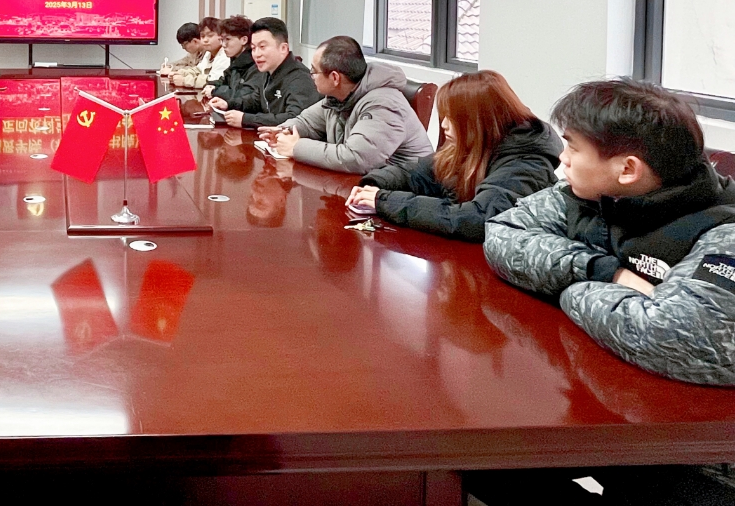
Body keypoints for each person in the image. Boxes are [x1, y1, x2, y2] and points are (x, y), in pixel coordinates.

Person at [484, 79, 735, 386]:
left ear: (627, 170)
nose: (563, 158)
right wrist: (604, 272)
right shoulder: (589, 194)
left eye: (574, 147)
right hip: (591, 372)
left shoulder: (723, 230)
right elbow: (502, 234)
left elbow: (684, 340)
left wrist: (571, 291)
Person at [346, 71, 562, 241]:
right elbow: (418, 172)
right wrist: (374, 184)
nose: (443, 125)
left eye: (452, 118)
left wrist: (385, 201)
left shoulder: (526, 163)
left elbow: (477, 219)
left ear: (479, 122)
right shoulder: (476, 143)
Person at [263, 35, 432, 173]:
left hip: (405, 189)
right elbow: (307, 122)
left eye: (314, 71)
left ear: (335, 78)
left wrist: (296, 147)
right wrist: (284, 131)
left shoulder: (384, 104)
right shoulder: (338, 96)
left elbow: (356, 158)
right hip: (365, 184)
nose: (311, 75)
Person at [207, 17, 318, 129]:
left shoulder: (300, 78)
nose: (256, 54)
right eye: (253, 48)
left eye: (262, 47)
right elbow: (255, 100)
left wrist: (246, 119)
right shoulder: (268, 71)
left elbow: (295, 119)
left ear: (283, 48)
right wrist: (228, 104)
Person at [204, 15, 256, 102]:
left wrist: (215, 91)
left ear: (244, 40)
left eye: (228, 39)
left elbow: (245, 95)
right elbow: (223, 81)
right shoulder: (235, 61)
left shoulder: (255, 63)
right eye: (222, 40)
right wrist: (210, 85)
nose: (223, 45)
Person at [172, 17, 229, 89]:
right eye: (202, 36)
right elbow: (198, 70)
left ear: (221, 36)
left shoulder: (225, 54)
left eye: (210, 35)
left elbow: (213, 80)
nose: (205, 40)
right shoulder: (209, 53)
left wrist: (184, 81)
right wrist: (181, 73)